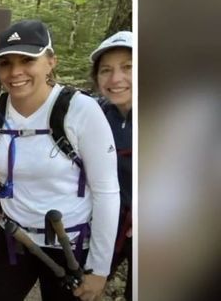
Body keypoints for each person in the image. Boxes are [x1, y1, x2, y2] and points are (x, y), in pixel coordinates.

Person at [0, 19, 120, 301]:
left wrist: (99, 268)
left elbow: (107, 191)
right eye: (5, 63)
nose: (15, 72)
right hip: (12, 237)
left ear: (50, 62)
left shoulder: (81, 111)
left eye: (27, 60)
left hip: (70, 245)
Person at [89, 31, 133, 300]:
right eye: (106, 70)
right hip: (106, 224)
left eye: (128, 67)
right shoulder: (96, 113)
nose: (116, 79)